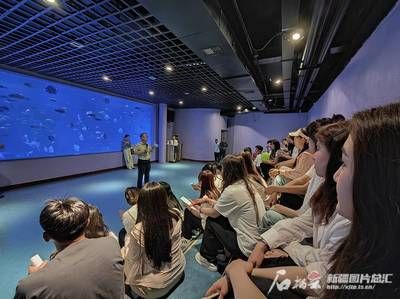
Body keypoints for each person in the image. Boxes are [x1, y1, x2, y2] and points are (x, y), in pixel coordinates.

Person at [206, 121, 351, 299]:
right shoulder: (328, 190)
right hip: (304, 255)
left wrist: (238, 271)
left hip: (308, 269)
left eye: (345, 163)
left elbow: (322, 280)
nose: (314, 155)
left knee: (266, 218)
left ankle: (211, 255)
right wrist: (266, 244)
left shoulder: (349, 215)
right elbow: (307, 222)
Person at [324, 103, 400, 299]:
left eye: (345, 163)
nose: (335, 175)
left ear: (377, 179)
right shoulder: (368, 247)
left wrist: (239, 273)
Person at [15, 198, 124, 299]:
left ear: (46, 237)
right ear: (87, 223)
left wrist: (35, 279)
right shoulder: (110, 244)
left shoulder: (28, 287)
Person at [192, 155, 265, 272]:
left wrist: (199, 208)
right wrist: (209, 200)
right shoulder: (247, 184)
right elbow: (225, 206)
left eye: (223, 169)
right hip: (257, 242)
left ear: (228, 171)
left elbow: (214, 213)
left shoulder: (232, 190)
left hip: (246, 247)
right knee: (221, 217)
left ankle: (206, 257)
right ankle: (221, 252)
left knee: (211, 220)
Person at [124, 182, 185, 298]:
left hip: (155, 288)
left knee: (125, 262)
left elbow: (132, 258)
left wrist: (127, 242)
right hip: (179, 268)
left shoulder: (139, 230)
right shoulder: (175, 214)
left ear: (141, 203)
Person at [182, 170, 221, 240]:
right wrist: (193, 204)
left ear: (202, 182)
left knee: (187, 211)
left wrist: (189, 207)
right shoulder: (216, 190)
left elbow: (201, 215)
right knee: (193, 205)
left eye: (199, 181)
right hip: (216, 221)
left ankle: (186, 235)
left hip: (207, 224)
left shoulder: (207, 196)